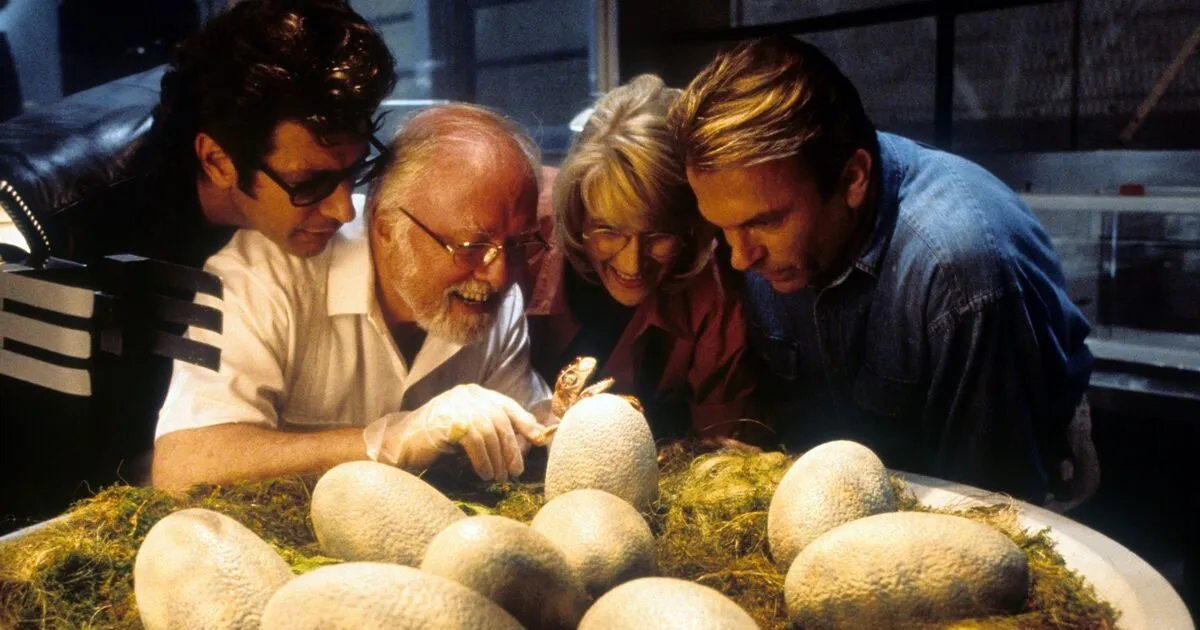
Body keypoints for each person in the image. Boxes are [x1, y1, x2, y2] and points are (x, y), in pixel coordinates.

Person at [670, 36, 1098, 510]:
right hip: (846, 501)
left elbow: (992, 511)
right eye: (723, 227)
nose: (739, 259)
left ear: (853, 179)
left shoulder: (961, 272)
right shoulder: (756, 225)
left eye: (765, 222)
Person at [151, 104, 554, 493]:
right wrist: (386, 441)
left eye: (517, 243)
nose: (500, 276)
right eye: (469, 245)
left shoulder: (492, 300)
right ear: (384, 226)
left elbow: (529, 438)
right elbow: (183, 465)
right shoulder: (260, 274)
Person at [525, 74, 767, 447]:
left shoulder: (713, 294)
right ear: (576, 213)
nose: (633, 264)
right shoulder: (519, 236)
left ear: (690, 227)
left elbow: (728, 447)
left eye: (659, 235)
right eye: (608, 231)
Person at [129, 0, 397, 268]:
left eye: (355, 170)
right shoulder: (114, 236)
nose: (345, 212)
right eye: (309, 184)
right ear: (218, 162)